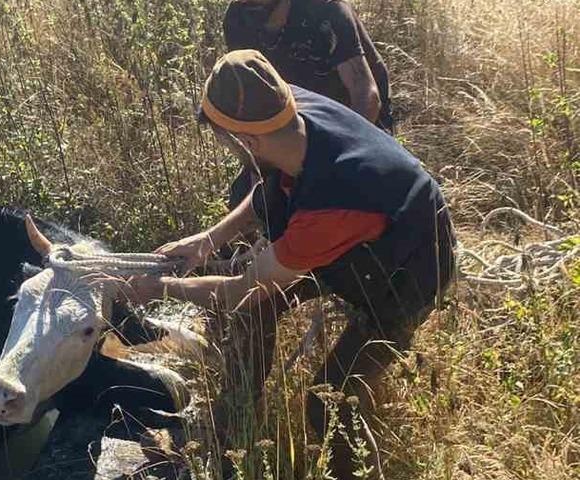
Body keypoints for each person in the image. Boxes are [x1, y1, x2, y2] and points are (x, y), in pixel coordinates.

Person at [120, 50, 455, 479]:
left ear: (248, 141)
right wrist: (209, 239)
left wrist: (152, 288)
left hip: (407, 270)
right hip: (357, 234)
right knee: (252, 309)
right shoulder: (283, 108)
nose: (225, 150)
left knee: (331, 400)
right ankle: (240, 412)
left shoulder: (331, 206)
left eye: (226, 141)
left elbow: (240, 289)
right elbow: (269, 185)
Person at [222, 0, 394, 211]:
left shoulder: (325, 8)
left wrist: (327, 160)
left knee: (344, 205)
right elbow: (252, 101)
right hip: (298, 125)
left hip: (357, 125)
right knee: (248, 200)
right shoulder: (238, 18)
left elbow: (366, 96)